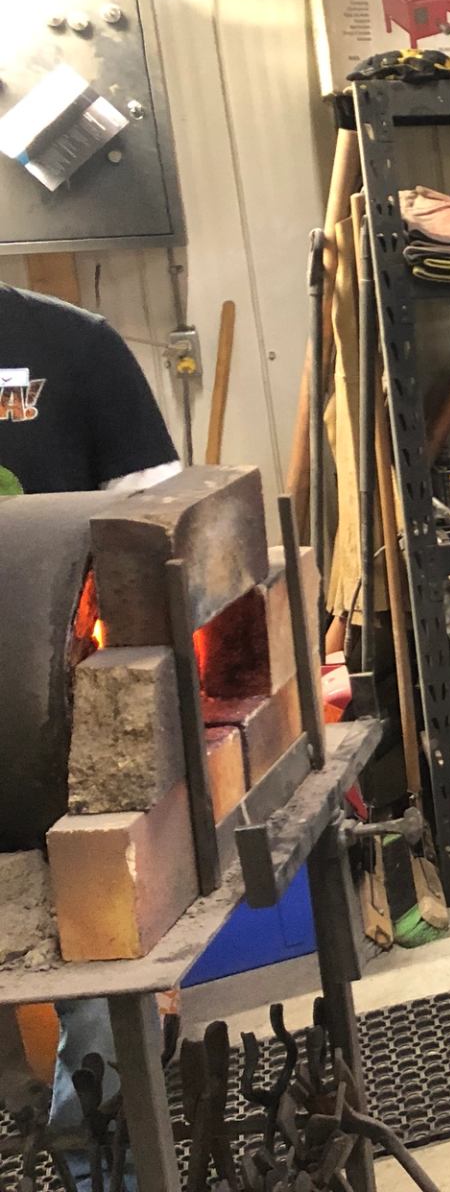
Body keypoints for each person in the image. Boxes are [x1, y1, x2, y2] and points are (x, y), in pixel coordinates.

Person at [1, 279, 181, 1191]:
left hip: (64, 754)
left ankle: (100, 1161)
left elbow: (158, 546)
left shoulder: (75, 348)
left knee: (101, 994)